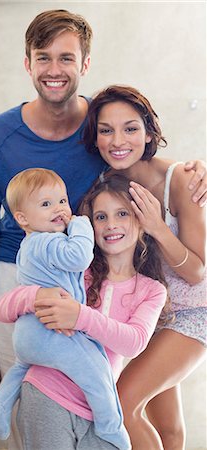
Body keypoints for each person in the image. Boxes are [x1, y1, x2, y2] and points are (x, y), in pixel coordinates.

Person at [0, 8, 206, 446]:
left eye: (66, 58)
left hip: (148, 300)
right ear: (27, 63)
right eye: (43, 57)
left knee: (114, 402)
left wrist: (193, 172)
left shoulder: (130, 152)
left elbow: (195, 263)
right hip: (74, 289)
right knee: (132, 416)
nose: (114, 139)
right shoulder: (7, 137)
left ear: (85, 64)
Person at [0, 172, 169, 450]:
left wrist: (80, 316)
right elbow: (4, 308)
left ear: (140, 220)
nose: (111, 224)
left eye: (122, 213)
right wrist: (38, 295)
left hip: (97, 409)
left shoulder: (152, 290)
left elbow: (133, 342)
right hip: (46, 393)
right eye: (101, 217)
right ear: (89, 225)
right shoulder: (75, 270)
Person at [80, 84, 206, 449]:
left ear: (149, 132)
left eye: (130, 128)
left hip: (193, 313)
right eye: (106, 130)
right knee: (168, 429)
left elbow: (197, 271)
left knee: (121, 401)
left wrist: (156, 227)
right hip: (148, 313)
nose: (118, 140)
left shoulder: (181, 179)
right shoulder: (108, 185)